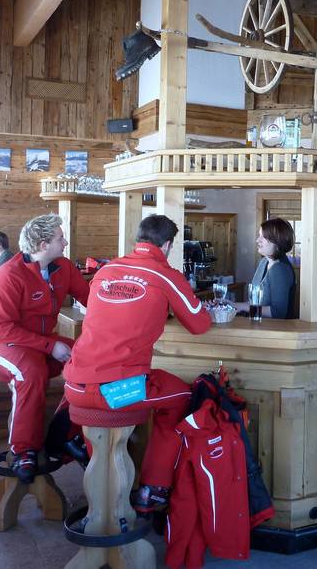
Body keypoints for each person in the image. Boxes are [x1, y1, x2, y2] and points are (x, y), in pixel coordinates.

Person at [63, 214, 211, 513]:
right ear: (167, 245)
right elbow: (200, 325)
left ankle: (89, 454)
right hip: (117, 392)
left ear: (138, 239)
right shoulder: (166, 275)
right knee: (183, 397)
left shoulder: (106, 270)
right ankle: (153, 488)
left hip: (73, 387)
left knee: (104, 410)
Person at [0, 214, 90, 483]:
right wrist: (50, 346)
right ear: (43, 245)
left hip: (39, 341)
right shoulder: (8, 275)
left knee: (90, 362)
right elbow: (3, 329)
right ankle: (23, 451)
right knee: (31, 371)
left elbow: (90, 298)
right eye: (61, 238)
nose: (65, 243)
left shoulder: (63, 267)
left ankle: (64, 434)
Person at [235, 218, 296, 319]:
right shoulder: (264, 262)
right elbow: (254, 302)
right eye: (259, 235)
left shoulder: (280, 270)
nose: (257, 240)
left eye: (263, 237)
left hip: (275, 328)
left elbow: (278, 313)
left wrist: (242, 307)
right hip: (257, 324)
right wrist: (231, 305)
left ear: (278, 242)